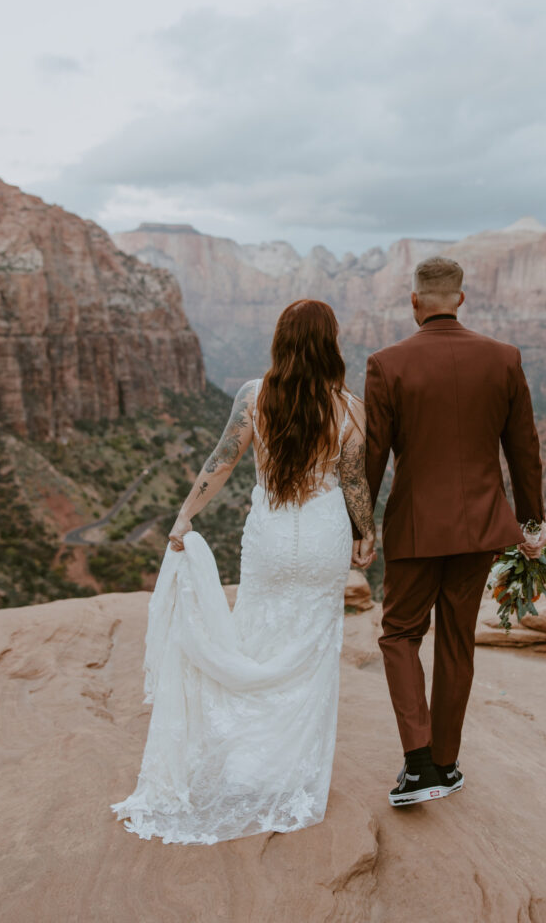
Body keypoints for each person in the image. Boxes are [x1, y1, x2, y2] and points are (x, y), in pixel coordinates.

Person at [111, 299, 375, 843]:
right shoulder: (350, 408)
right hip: (325, 538)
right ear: (331, 344)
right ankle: (288, 770)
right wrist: (366, 532)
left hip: (272, 539)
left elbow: (222, 460)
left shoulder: (255, 397)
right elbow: (354, 482)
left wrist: (185, 517)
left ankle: (246, 764)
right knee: (312, 652)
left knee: (256, 638)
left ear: (282, 341)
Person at [357, 256, 546, 807]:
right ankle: (445, 763)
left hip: (416, 528)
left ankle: (419, 767)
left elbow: (373, 456)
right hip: (485, 528)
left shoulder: (386, 364)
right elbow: (524, 451)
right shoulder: (504, 359)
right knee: (458, 640)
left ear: (414, 301)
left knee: (399, 636)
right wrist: (531, 524)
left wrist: (360, 524)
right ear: (460, 299)